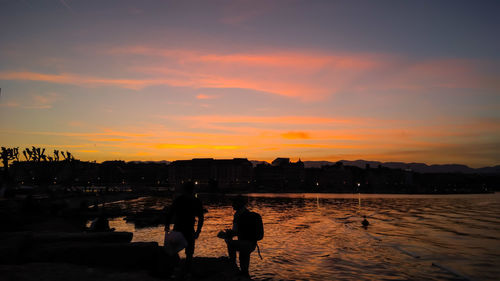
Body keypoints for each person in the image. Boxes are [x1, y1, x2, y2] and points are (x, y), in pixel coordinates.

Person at [164, 181, 204, 272]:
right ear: (193, 189)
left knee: (173, 250)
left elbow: (170, 213)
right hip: (189, 229)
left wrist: (167, 225)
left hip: (178, 228)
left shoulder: (178, 200)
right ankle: (187, 272)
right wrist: (198, 231)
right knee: (189, 253)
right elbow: (201, 218)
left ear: (184, 189)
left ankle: (176, 269)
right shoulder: (196, 201)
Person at [220, 197, 263, 277]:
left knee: (229, 242)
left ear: (239, 204)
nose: (232, 205)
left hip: (244, 243)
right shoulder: (248, 213)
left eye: (234, 203)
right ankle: (245, 273)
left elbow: (235, 232)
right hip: (252, 244)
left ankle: (233, 265)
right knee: (244, 257)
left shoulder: (238, 215)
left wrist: (225, 234)